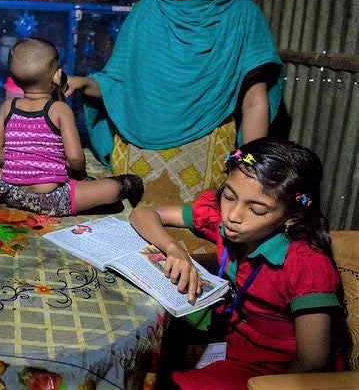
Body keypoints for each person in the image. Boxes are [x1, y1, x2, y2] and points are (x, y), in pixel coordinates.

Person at [66, 0, 284, 208]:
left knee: (197, 243)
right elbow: (116, 84)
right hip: (138, 159)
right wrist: (81, 83)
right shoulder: (145, 14)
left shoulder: (240, 17)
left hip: (206, 162)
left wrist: (249, 169)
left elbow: (255, 100)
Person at [129, 138, 344, 388]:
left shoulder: (306, 264)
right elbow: (143, 214)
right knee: (146, 360)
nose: (233, 215)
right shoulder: (222, 219)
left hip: (271, 371)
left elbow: (312, 361)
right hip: (228, 340)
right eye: (229, 196)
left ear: (292, 216)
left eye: (258, 210)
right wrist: (174, 249)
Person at [0, 37, 143, 217]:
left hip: (10, 192)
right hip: (51, 198)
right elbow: (76, 158)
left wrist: (15, 168)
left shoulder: (8, 105)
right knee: (113, 188)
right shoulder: (60, 109)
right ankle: (124, 186)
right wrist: (81, 175)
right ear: (57, 76)